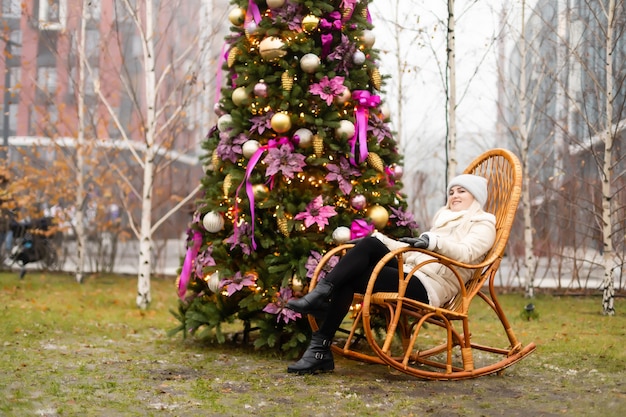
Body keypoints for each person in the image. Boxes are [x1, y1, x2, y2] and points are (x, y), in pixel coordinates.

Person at [285, 174, 497, 374]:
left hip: (431, 285)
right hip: (412, 272)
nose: (454, 196)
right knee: (370, 243)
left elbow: (467, 253)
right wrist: (379, 241)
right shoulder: (444, 221)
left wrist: (433, 242)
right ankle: (321, 318)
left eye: (462, 191)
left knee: (352, 275)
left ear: (475, 197)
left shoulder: (483, 223)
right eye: (452, 192)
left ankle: (320, 327)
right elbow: (414, 253)